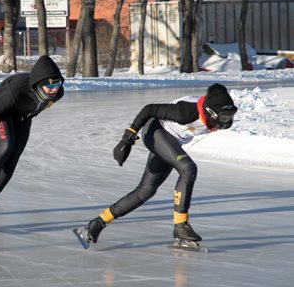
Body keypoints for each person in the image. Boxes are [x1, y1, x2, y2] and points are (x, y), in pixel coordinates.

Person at [76, 83, 238, 247]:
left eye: (230, 116)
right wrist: (127, 137)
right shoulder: (186, 112)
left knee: (146, 190)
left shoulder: (215, 115)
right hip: (155, 132)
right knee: (188, 168)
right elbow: (149, 109)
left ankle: (95, 224)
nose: (228, 121)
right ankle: (181, 226)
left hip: (170, 141)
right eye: (224, 117)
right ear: (211, 112)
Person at [0, 55, 65, 225]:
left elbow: (37, 104)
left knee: (12, 160)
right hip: (2, 109)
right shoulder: (14, 92)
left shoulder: (57, 93)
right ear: (37, 85)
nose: (53, 90)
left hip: (23, 116)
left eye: (56, 84)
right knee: (5, 146)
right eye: (49, 85)